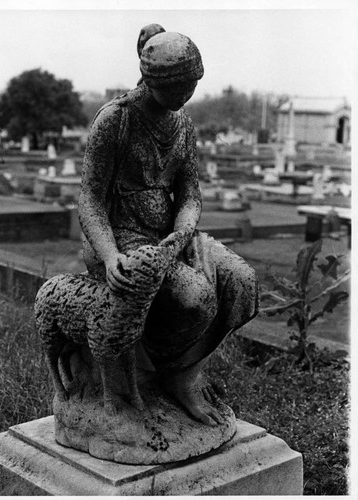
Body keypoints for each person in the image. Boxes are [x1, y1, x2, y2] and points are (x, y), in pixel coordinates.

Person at [78, 25, 259, 426]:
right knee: (196, 298)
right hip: (121, 234)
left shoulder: (183, 124)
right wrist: (109, 257)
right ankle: (163, 377)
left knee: (242, 283)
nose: (187, 96)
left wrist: (184, 229)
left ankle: (183, 372)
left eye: (193, 86)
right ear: (154, 81)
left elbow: (190, 192)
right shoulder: (115, 120)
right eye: (181, 88)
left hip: (173, 235)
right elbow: (89, 198)